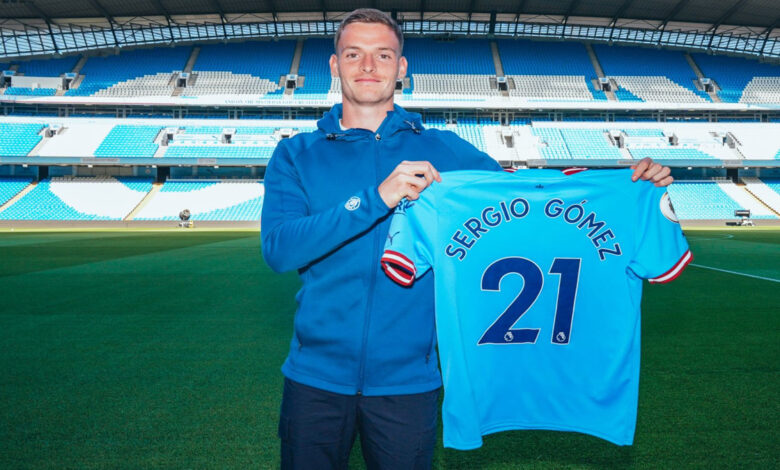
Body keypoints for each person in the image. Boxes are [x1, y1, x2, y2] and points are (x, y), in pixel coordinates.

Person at [260, 8, 672, 470]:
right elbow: (279, 249)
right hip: (314, 377)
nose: (369, 66)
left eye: (383, 55)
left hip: (409, 381)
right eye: (354, 54)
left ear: (402, 67)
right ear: (335, 65)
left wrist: (624, 184)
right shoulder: (295, 153)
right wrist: (375, 199)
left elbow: (527, 198)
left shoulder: (444, 149)